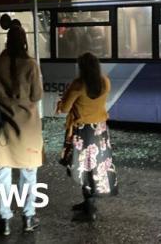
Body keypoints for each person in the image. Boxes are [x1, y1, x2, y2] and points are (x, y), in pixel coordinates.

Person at [0, 25, 43, 236]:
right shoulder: (31, 64)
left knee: (2, 174)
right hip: (27, 127)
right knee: (29, 174)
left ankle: (5, 221)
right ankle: (28, 217)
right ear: (24, 41)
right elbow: (37, 95)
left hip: (2, 125)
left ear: (6, 41)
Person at [56, 52, 117, 221]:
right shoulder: (105, 81)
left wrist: (61, 102)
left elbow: (65, 108)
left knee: (83, 167)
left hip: (83, 131)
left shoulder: (78, 85)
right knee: (95, 167)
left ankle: (90, 210)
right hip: (99, 130)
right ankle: (88, 202)